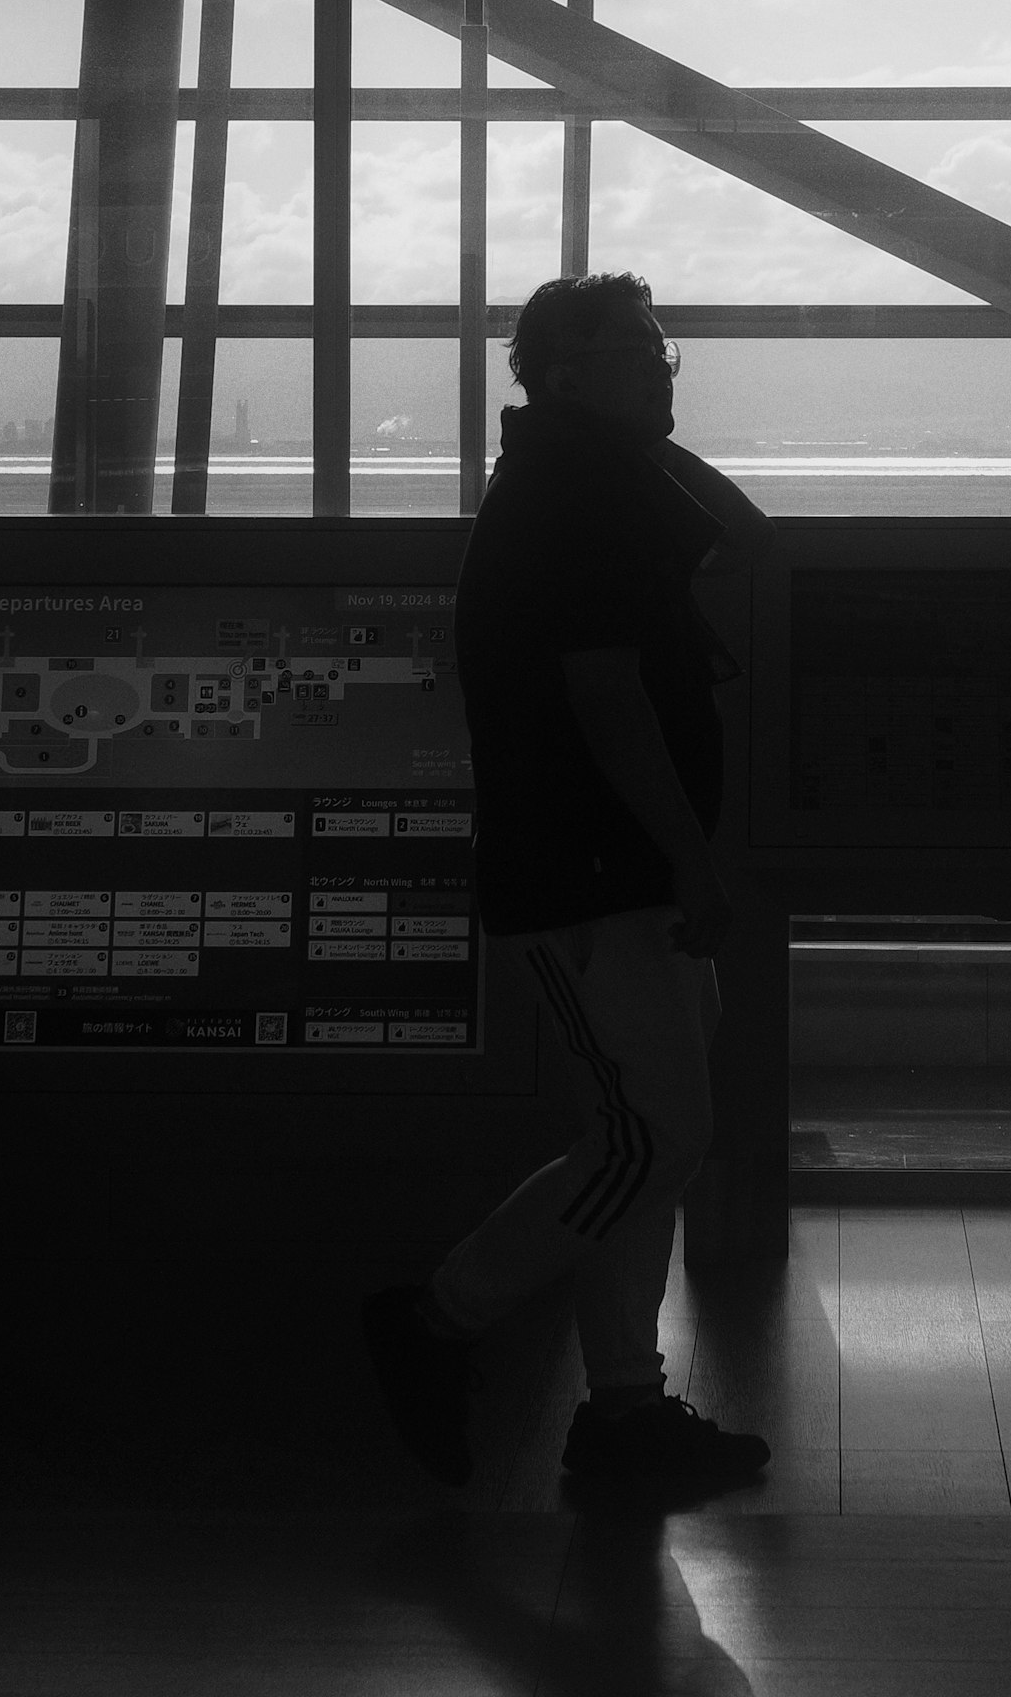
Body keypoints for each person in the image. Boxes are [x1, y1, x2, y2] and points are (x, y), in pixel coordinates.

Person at [362, 272, 776, 1495]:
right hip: (592, 876)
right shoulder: (573, 497)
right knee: (656, 1138)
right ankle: (437, 1316)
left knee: (632, 1139)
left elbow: (747, 537)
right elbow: (607, 696)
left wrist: (638, 427)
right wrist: (692, 861)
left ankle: (622, 1409)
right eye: (637, 349)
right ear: (564, 371)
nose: (665, 364)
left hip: (614, 871)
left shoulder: (585, 479)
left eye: (663, 345)